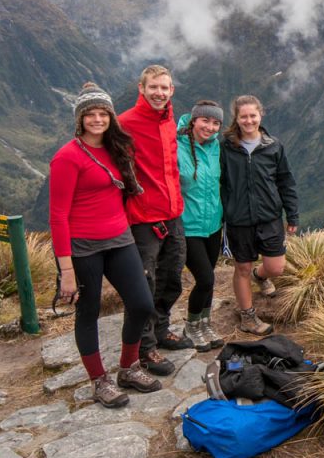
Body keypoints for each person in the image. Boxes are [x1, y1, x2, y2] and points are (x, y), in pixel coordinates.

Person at [49, 82, 162, 408]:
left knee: (141, 303)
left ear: (111, 117)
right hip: (83, 246)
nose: (97, 120)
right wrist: (66, 270)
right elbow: (57, 216)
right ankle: (99, 380)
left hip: (119, 238)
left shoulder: (116, 149)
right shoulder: (67, 158)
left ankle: (128, 367)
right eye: (90, 114)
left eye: (103, 114)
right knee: (89, 311)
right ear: (80, 119)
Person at [119, 64, 188, 376]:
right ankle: (145, 349)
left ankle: (161, 328)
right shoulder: (125, 124)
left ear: (171, 90)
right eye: (154, 87)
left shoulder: (168, 120)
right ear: (141, 88)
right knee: (144, 286)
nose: (159, 93)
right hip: (144, 219)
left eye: (165, 87)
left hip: (173, 214)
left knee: (172, 278)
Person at [220, 95, 299, 335]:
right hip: (239, 220)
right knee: (241, 268)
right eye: (243, 116)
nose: (248, 120)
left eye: (252, 115)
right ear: (236, 118)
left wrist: (292, 215)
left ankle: (260, 275)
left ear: (260, 115)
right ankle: (248, 317)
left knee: (275, 267)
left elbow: (285, 181)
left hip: (269, 217)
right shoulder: (225, 147)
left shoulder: (273, 146)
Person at [176, 100, 226, 351]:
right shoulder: (176, 147)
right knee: (204, 279)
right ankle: (191, 326)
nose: (210, 126)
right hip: (188, 226)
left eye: (216, 122)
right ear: (194, 120)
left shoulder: (216, 147)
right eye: (205, 120)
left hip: (214, 224)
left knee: (210, 277)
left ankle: (205, 323)